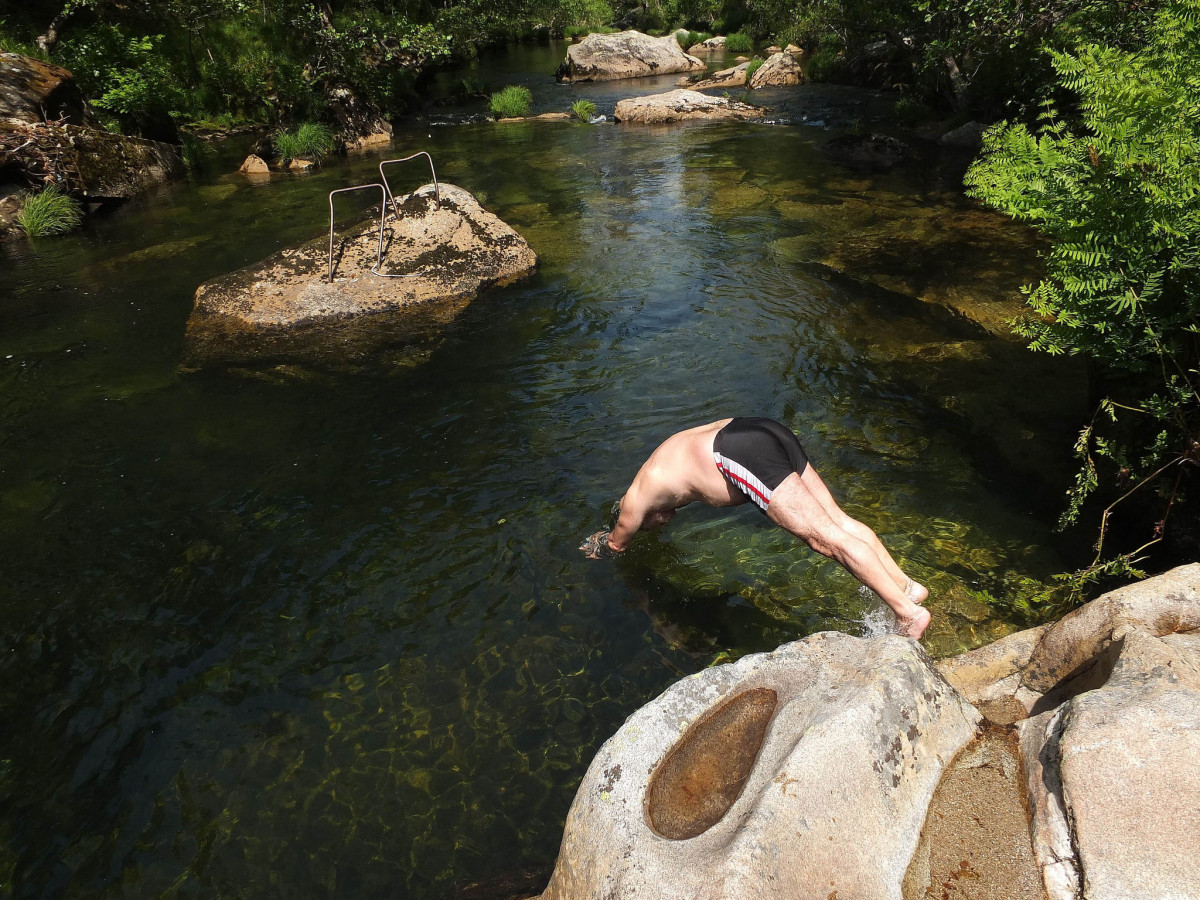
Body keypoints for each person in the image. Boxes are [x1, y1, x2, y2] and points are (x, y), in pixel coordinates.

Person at [580, 417, 931, 638]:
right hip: (761, 429)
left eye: (652, 525)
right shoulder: (658, 468)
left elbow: (617, 544)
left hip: (739, 452)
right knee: (838, 520)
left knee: (825, 539)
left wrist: (599, 544)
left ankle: (908, 615)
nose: (663, 523)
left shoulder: (633, 505)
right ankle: (907, 588)